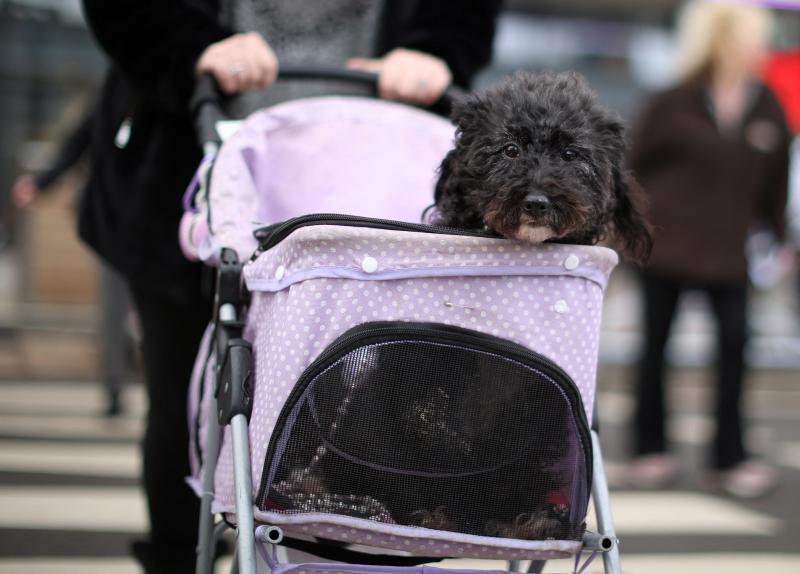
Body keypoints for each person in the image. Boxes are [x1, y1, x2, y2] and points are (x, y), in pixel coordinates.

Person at [78, 1, 501, 572]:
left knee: (355, 401)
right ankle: (180, 555)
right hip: (198, 162)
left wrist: (439, 48)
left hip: (372, 182)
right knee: (186, 397)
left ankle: (322, 553)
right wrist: (188, 45)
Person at [627, 0, 791, 498]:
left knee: (736, 349)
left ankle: (730, 457)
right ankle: (649, 448)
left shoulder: (765, 103)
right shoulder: (673, 100)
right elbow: (629, 169)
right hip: (666, 248)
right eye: (751, 35)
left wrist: (781, 241)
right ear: (721, 38)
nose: (760, 45)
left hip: (728, 255)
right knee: (655, 348)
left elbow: (774, 185)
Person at [10, 104, 134, 417]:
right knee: (113, 313)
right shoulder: (108, 106)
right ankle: (115, 389)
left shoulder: (169, 101)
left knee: (145, 315)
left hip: (160, 232)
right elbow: (73, 150)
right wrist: (39, 185)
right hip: (116, 230)